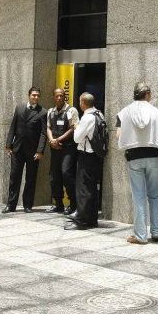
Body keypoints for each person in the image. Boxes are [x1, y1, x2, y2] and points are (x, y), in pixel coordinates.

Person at [116, 82, 158, 244]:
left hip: (134, 156)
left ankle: (140, 236)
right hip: (153, 154)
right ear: (148, 94)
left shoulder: (124, 112)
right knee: (155, 195)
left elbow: (118, 135)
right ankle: (156, 232)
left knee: (139, 196)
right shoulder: (157, 112)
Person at [2, 87, 47, 213]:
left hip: (33, 151)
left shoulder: (43, 112)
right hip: (17, 149)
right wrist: (8, 145)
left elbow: (43, 133)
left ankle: (27, 205)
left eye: (38, 95)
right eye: (34, 95)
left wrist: (40, 151)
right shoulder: (19, 108)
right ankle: (11, 205)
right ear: (29, 95)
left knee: (30, 178)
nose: (36, 97)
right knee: (14, 177)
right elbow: (13, 126)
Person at [65, 93, 103, 231]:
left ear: (82, 103)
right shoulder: (99, 114)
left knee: (83, 189)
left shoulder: (87, 117)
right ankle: (92, 219)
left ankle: (82, 220)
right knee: (92, 188)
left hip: (86, 156)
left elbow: (76, 138)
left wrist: (76, 124)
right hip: (96, 156)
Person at [46, 88, 79, 215]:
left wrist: (58, 139)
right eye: (57, 96)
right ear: (53, 97)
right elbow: (48, 128)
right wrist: (51, 140)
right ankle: (58, 204)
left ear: (65, 96)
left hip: (68, 148)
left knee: (66, 174)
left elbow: (73, 128)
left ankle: (73, 204)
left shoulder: (71, 110)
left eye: (61, 96)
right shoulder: (50, 111)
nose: (59, 98)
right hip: (55, 148)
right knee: (54, 176)